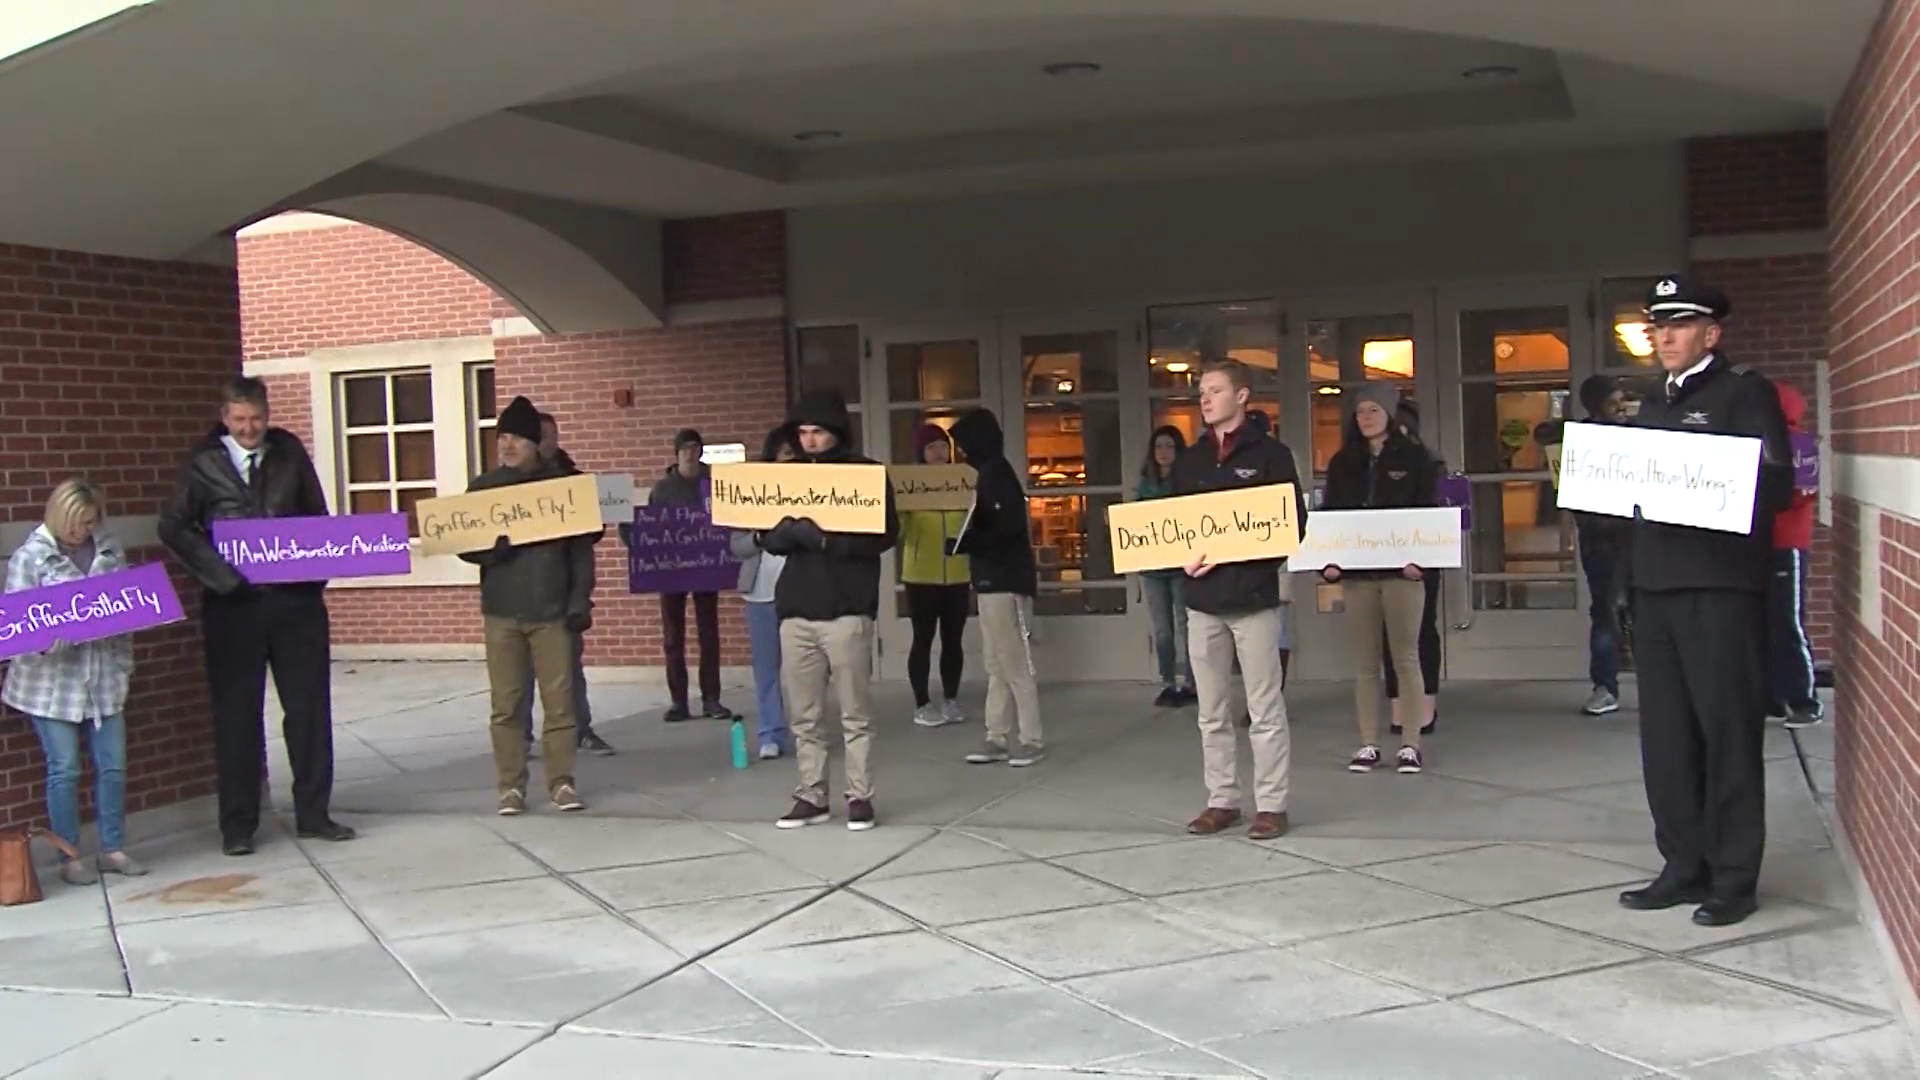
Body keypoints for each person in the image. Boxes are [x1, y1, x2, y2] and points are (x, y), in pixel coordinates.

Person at [1618, 274, 1792, 929]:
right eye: (1658, 327)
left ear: (1711, 333)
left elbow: (1774, 484)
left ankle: (1733, 877)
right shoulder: (1651, 401)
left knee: (1726, 734)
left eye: (1680, 325)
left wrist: (1702, 486)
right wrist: (1625, 583)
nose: (1665, 337)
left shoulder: (1744, 393)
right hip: (1656, 587)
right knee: (1666, 739)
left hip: (1719, 588)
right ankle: (1683, 863)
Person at [158, 376, 354, 856]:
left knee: (309, 712)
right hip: (233, 607)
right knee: (237, 718)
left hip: (295, 606)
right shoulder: (203, 461)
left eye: (257, 419)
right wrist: (221, 577)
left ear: (268, 416)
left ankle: (314, 814)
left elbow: (318, 520)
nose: (249, 429)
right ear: (225, 417)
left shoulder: (289, 454)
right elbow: (175, 527)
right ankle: (238, 826)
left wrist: (312, 578)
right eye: (240, 420)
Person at [1172, 361, 1309, 841]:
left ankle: (1271, 804)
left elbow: (1291, 526)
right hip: (1202, 602)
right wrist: (1180, 559)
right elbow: (1172, 524)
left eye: (1215, 390)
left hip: (1253, 601)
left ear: (1242, 395)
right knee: (1211, 710)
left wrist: (1238, 559)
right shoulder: (1189, 460)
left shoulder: (1271, 455)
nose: (1205, 399)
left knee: (1264, 708)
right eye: (1202, 391)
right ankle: (1222, 800)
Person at [765, 390, 899, 831]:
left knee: (855, 712)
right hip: (796, 610)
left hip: (846, 609)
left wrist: (827, 541)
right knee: (804, 714)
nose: (809, 440)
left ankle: (859, 794)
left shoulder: (865, 474)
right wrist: (781, 536)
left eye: (817, 431)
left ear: (836, 431)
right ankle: (812, 793)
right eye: (802, 432)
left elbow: (885, 535)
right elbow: (762, 531)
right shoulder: (788, 475)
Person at [4, 480, 148, 884]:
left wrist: (124, 666)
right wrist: (55, 637)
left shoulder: (109, 551)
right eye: (75, 523)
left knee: (113, 766)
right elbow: (18, 627)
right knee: (64, 770)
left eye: (89, 523)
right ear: (58, 516)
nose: (81, 531)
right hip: (51, 685)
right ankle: (69, 856)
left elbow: (127, 613)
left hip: (103, 678)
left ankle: (112, 848)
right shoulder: (30, 558)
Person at [462, 396, 597, 816]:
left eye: (517, 438)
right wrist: (491, 553)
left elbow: (581, 551)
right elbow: (461, 542)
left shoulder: (562, 487)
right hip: (502, 611)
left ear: (535, 443)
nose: (507, 445)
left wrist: (580, 600)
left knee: (559, 703)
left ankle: (561, 782)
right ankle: (510, 786)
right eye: (502, 437)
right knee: (506, 705)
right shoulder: (484, 488)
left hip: (552, 612)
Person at [1319, 383, 1438, 776]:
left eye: (1373, 410)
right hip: (1359, 576)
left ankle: (1410, 744)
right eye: (1360, 411)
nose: (1366, 418)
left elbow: (1427, 513)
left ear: (1389, 413)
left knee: (1405, 657)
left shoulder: (1415, 458)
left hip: (1402, 574)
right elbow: (1331, 515)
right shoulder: (1343, 462)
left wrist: (1422, 561)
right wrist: (1328, 563)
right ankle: (1368, 743)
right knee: (1365, 662)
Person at [949, 408, 1045, 767]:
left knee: (1014, 663)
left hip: (1005, 581)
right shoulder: (991, 474)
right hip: (990, 581)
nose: (962, 452)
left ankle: (1030, 738)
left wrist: (967, 542)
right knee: (996, 663)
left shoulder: (997, 476)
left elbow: (1006, 528)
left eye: (963, 444)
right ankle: (997, 735)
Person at [515, 412, 614, 758]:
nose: (548, 441)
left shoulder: (574, 481)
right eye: (541, 435)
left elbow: (589, 540)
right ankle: (521, 738)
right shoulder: (509, 485)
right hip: (522, 592)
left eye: (552, 435)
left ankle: (579, 731)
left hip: (563, 590)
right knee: (521, 673)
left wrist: (581, 598)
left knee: (569, 668)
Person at [647, 428, 732, 723]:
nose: (689, 453)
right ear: (676, 453)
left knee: (708, 634)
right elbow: (650, 526)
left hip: (706, 565)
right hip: (672, 569)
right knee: (673, 636)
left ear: (701, 451)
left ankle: (711, 698)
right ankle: (679, 701)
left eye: (694, 447)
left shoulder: (714, 484)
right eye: (684, 448)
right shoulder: (663, 489)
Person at [730, 424, 800, 760]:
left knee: (805, 668)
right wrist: (758, 536)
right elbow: (736, 546)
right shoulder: (752, 493)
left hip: (801, 591)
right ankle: (771, 732)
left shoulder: (811, 489)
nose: (791, 459)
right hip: (760, 594)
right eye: (785, 453)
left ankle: (807, 729)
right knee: (767, 669)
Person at [1565, 377, 1633, 716]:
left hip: (1640, 541)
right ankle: (1605, 687)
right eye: (1612, 402)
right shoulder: (1581, 444)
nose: (1621, 408)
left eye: (1622, 400)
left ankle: (1661, 690)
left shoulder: (1638, 437)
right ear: (1595, 407)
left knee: (1648, 615)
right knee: (1606, 613)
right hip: (1602, 543)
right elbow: (1574, 499)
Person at [899, 423, 971, 728]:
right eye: (931, 447)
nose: (938, 452)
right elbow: (899, 530)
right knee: (923, 638)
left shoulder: (962, 480)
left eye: (943, 445)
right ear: (921, 452)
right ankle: (922, 703)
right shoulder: (911, 485)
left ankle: (951, 699)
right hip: (921, 575)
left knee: (953, 639)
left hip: (957, 572)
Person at [1384, 398, 1442, 736]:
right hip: (1382, 556)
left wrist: (1422, 558)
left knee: (1422, 632)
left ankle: (1425, 706)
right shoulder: (1370, 464)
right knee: (1389, 634)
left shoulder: (1427, 462)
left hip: (1421, 558)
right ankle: (1398, 705)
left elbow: (1435, 512)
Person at [1769, 382, 1823, 730]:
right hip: (1759, 545)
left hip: (1787, 544)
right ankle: (1776, 698)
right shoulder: (1759, 441)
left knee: (1788, 622)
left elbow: (1802, 493)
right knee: (1766, 622)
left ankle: (1805, 701)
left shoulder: (1800, 443)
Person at [1135, 425, 1196, 707]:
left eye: (1170, 446)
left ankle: (1191, 683)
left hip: (1182, 566)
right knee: (1162, 630)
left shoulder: (1186, 481)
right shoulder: (1145, 483)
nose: (1163, 452)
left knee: (1186, 626)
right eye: (1159, 446)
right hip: (1154, 568)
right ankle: (1168, 682)